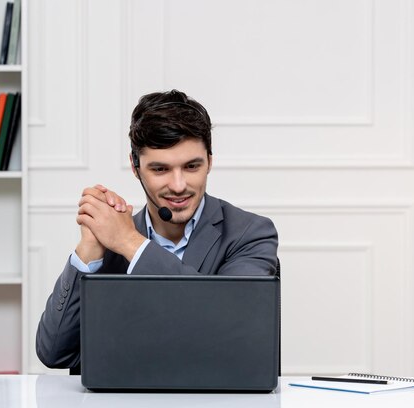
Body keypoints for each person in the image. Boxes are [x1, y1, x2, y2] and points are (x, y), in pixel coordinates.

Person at [36, 89, 279, 371]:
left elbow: (236, 327)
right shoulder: (109, 243)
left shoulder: (250, 233)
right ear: (136, 167)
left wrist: (130, 243)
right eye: (160, 169)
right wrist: (89, 251)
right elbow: (54, 353)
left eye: (191, 166)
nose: (178, 185)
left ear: (210, 162)